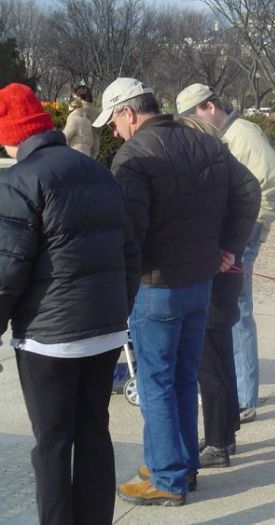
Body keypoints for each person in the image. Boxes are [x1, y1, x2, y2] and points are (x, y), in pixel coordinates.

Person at [93, 77, 261, 506]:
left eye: (113, 122)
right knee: (183, 377)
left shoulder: (134, 155)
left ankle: (167, 476)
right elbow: (248, 190)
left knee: (157, 382)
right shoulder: (202, 141)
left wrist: (120, 285)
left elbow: (129, 232)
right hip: (199, 281)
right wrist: (228, 245)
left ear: (129, 112)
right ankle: (181, 464)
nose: (114, 132)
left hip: (157, 285)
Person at [0, 83, 141, 525]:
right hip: (104, 331)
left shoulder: (18, 181)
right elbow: (131, 253)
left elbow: (7, 269)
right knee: (94, 434)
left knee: (54, 444)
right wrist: (117, 310)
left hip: (49, 341)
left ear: (11, 134)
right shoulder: (94, 170)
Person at [176, 83, 275, 424]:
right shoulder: (225, 136)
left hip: (242, 232)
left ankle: (243, 396)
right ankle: (234, 391)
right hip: (230, 231)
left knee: (237, 311)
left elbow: (273, 182)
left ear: (209, 107)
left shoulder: (241, 134)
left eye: (191, 116)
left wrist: (250, 227)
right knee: (227, 309)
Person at [177, 114, 249, 468]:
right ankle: (227, 431)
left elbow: (250, 193)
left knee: (211, 361)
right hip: (221, 268)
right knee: (218, 354)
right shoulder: (222, 164)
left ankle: (219, 441)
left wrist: (228, 247)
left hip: (215, 272)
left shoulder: (212, 165)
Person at [70, 85, 101, 158]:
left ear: (79, 97)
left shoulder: (78, 111)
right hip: (95, 146)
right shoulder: (96, 111)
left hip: (80, 147)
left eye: (74, 96)